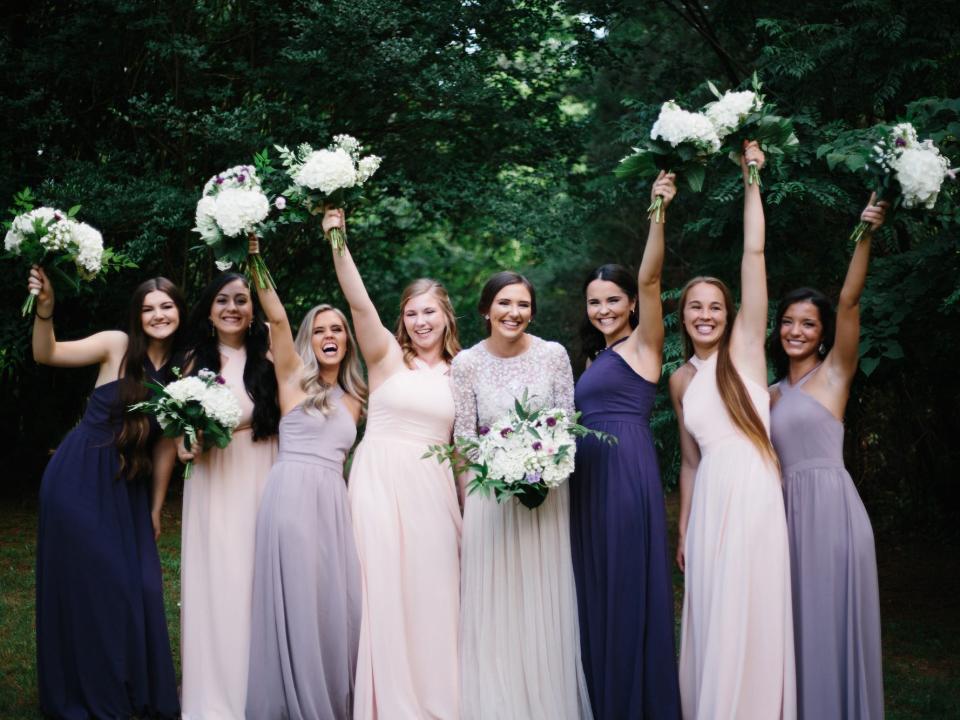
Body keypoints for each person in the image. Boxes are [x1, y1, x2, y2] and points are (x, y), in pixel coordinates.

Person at [669, 143, 796, 719]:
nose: (706, 315)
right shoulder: (678, 379)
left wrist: (751, 179)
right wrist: (684, 527)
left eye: (715, 306)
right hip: (710, 500)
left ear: (730, 313)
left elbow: (754, 251)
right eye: (695, 307)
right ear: (683, 316)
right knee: (716, 609)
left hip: (752, 490)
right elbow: (690, 461)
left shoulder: (746, 350)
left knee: (756, 603)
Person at [324, 209, 462, 719]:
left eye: (430, 312)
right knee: (379, 587)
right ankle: (383, 701)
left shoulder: (463, 372)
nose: (421, 322)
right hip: (377, 482)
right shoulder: (384, 357)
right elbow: (358, 303)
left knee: (432, 590)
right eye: (412, 313)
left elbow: (464, 451)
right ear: (402, 318)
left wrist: (470, 512)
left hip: (433, 488)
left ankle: (435, 698)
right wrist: (337, 238)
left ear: (447, 316)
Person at [30, 266, 182, 719]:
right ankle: (93, 693)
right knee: (101, 586)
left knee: (141, 587)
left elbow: (166, 448)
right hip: (79, 476)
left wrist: (155, 509)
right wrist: (45, 309)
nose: (158, 315)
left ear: (180, 310)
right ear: (137, 316)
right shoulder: (116, 345)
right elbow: (47, 353)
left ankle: (133, 685)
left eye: (167, 306)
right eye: (148, 308)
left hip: (129, 489)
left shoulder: (186, 369)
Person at [452, 271, 592, 720]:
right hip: (490, 500)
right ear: (486, 310)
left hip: (546, 498)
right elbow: (464, 438)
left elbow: (568, 425)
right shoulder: (466, 364)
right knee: (496, 604)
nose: (514, 313)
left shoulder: (554, 356)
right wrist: (500, 462)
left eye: (523, 305)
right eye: (505, 304)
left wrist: (541, 465)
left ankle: (548, 702)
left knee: (542, 597)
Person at [768, 196, 888, 719]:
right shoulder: (766, 392)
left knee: (831, 621)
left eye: (808, 325)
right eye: (788, 322)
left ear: (823, 335)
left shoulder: (834, 376)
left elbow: (849, 303)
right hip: (784, 516)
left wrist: (864, 233)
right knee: (795, 625)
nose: (796, 331)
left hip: (833, 515)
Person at [570, 172, 681, 719]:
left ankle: (636, 702)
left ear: (632, 304)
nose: (603, 309)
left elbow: (654, 277)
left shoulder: (644, 344)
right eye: (594, 302)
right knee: (596, 589)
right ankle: (604, 697)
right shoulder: (593, 358)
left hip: (624, 476)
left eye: (613, 299)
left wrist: (657, 210)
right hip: (586, 482)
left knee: (623, 586)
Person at [244, 236, 366, 720]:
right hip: (292, 494)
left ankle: (333, 697)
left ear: (348, 338)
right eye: (320, 330)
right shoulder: (293, 377)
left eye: (337, 328)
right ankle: (295, 703)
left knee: (333, 602)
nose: (330, 335)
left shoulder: (357, 396)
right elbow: (275, 316)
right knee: (296, 592)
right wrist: (256, 260)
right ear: (309, 340)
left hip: (334, 502)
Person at [178, 272, 279, 720]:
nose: (232, 308)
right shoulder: (195, 361)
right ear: (210, 308)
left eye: (242, 299)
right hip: (215, 479)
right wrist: (186, 441)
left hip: (264, 471)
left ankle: (262, 692)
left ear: (254, 308)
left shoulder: (271, 352)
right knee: (220, 580)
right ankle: (217, 695)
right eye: (223, 300)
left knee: (260, 580)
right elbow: (180, 426)